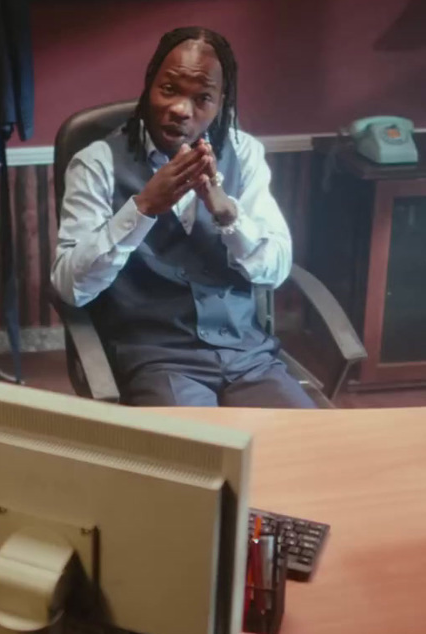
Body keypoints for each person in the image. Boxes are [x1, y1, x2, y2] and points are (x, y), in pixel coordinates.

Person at [50, 27, 314, 408]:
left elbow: (273, 271)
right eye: (169, 89)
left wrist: (226, 212)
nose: (181, 109)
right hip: (158, 358)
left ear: (221, 103)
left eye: (202, 97)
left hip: (247, 355)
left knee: (305, 448)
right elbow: (70, 286)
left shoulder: (245, 153)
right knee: (196, 457)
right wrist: (141, 208)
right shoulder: (98, 163)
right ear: (149, 84)